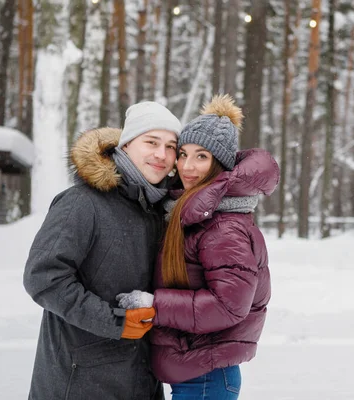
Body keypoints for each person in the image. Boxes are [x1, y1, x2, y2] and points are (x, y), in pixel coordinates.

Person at [116, 94, 279, 400]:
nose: (187, 166)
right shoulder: (191, 212)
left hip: (206, 376)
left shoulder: (223, 226)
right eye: (183, 154)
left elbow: (228, 306)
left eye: (201, 156)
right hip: (196, 371)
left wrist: (154, 304)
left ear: (220, 163)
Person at [23, 101, 183, 399]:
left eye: (171, 146)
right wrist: (114, 321)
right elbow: (43, 277)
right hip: (79, 381)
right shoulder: (82, 202)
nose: (161, 154)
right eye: (151, 142)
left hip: (141, 381)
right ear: (125, 145)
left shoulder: (158, 211)